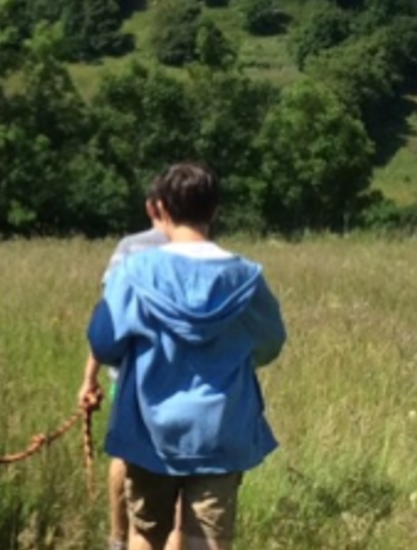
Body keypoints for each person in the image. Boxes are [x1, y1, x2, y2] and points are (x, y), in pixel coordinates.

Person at [81, 162, 287, 550]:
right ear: (215, 211)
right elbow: (270, 342)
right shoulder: (245, 276)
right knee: (205, 540)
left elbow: (105, 344)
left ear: (158, 208)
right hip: (221, 430)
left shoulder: (134, 271)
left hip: (149, 430)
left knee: (145, 534)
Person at [80, 228, 173, 550]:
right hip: (187, 382)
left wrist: (89, 378)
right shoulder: (205, 247)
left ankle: (118, 540)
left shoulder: (131, 247)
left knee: (125, 453)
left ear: (155, 205)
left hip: (131, 377)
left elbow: (110, 314)